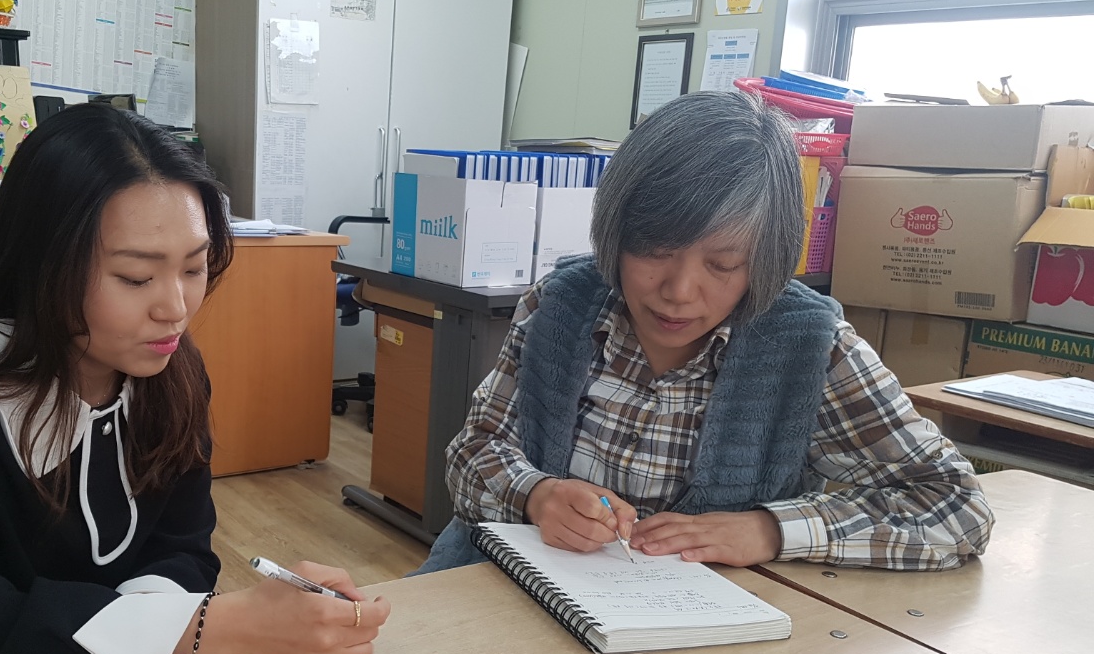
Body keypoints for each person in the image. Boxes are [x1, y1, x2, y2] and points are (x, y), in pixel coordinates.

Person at [0, 105, 390, 654]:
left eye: (194, 268)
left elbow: (184, 549)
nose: (175, 308)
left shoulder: (171, 371)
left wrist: (161, 631)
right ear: (42, 264)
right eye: (135, 277)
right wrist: (202, 630)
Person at [417, 90, 992, 575]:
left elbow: (956, 507)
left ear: (764, 260)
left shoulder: (811, 348)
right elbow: (472, 452)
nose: (680, 291)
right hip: (511, 589)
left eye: (723, 264)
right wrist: (537, 496)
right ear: (615, 234)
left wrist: (770, 530)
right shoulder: (562, 305)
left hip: (689, 634)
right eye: (653, 251)